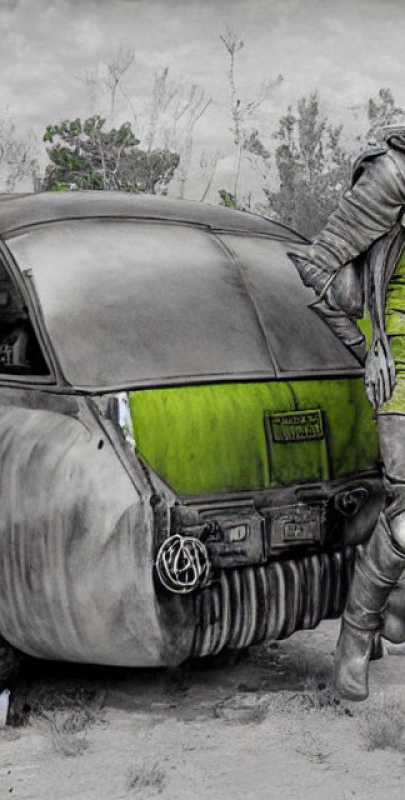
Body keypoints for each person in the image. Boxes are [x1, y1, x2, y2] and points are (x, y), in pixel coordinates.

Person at [290, 124, 405, 700]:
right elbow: (316, 271)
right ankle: (355, 636)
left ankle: (396, 607)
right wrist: (368, 352)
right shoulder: (392, 171)